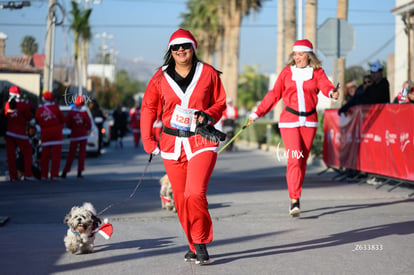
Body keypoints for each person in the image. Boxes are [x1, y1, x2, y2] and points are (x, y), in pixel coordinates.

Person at [140, 28, 226, 265]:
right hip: (171, 143)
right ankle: (192, 243)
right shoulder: (160, 77)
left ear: (193, 48)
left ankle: (200, 241)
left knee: (194, 193)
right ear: (170, 51)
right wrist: (148, 140)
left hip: (201, 141)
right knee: (180, 199)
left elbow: (220, 102)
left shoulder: (207, 73)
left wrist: (208, 115)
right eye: (176, 47)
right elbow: (148, 107)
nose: (180, 51)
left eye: (185, 46)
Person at [248, 39, 339, 217]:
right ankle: (294, 200)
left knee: (302, 161)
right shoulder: (286, 73)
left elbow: (325, 86)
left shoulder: (317, 72)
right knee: (294, 158)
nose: (297, 57)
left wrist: (331, 93)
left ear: (309, 56)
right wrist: (256, 114)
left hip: (310, 121)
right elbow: (273, 95)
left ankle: (296, 193)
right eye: (295, 54)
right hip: (289, 120)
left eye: (301, 54)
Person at [4, 85, 35, 181]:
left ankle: (13, 176)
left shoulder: (7, 105)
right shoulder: (23, 105)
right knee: (27, 152)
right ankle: (28, 174)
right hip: (20, 133)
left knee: (11, 155)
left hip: (9, 133)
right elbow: (29, 117)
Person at [35, 91, 65, 180]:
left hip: (45, 134)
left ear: (43, 99)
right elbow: (63, 119)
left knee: (45, 156)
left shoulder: (40, 110)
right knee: (56, 156)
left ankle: (44, 175)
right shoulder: (56, 108)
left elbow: (36, 121)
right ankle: (54, 174)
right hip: (56, 134)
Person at [61, 96, 91, 179]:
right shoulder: (84, 112)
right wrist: (85, 129)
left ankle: (65, 172)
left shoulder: (71, 112)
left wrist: (73, 128)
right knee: (81, 155)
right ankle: (79, 172)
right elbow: (89, 124)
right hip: (83, 135)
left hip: (74, 134)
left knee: (71, 154)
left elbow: (68, 123)